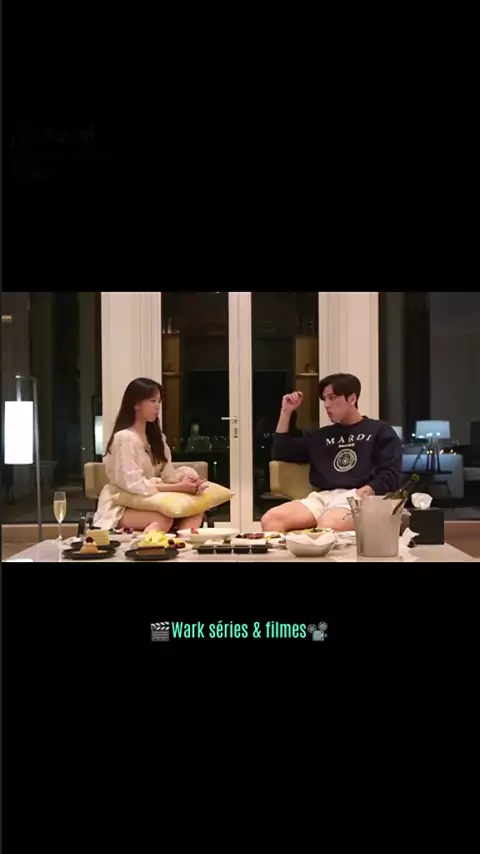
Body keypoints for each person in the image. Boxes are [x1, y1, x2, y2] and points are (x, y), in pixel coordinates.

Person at [261, 373, 402, 533]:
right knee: (271, 519)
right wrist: (286, 411)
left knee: (328, 526)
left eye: (332, 398)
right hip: (323, 497)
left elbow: (391, 472)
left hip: (360, 496)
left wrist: (368, 489)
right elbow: (280, 452)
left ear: (352, 399)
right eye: (324, 399)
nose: (327, 405)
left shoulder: (379, 430)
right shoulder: (322, 435)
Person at [93, 377, 207, 533]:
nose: (157, 406)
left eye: (159, 401)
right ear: (136, 404)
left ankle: (182, 545)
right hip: (124, 503)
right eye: (152, 401)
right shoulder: (124, 438)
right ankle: (150, 544)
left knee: (196, 509)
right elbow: (133, 484)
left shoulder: (157, 437)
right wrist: (178, 487)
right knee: (164, 518)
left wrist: (186, 481)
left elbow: (168, 475)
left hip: (153, 499)